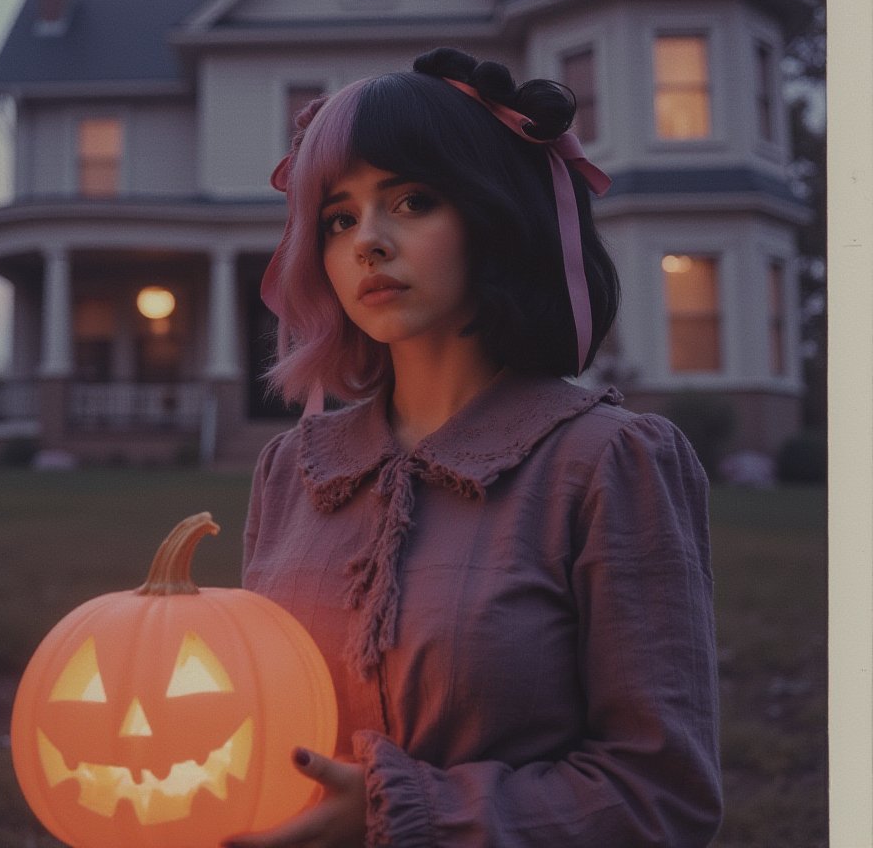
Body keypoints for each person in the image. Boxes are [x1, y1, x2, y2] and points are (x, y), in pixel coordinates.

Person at [224, 48, 722, 847]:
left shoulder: (605, 465)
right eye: (339, 218)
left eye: (412, 201)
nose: (368, 243)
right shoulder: (292, 470)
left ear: (493, 218)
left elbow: (662, 797)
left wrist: (411, 815)